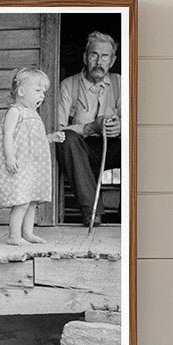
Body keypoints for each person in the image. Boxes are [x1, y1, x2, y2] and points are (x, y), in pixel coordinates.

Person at [56, 30, 122, 223]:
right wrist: (90, 127)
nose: (99, 62)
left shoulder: (121, 83)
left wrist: (121, 127)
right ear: (85, 57)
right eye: (94, 55)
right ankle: (92, 212)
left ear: (112, 60)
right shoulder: (69, 85)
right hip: (83, 149)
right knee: (66, 139)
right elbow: (58, 129)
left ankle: (128, 214)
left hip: (114, 146)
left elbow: (136, 121)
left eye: (105, 56)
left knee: (138, 143)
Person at [0, 67, 65, 246]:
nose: (41, 95)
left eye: (44, 92)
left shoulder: (34, 115)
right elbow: (8, 135)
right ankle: (14, 236)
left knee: (32, 201)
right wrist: (10, 157)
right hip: (20, 165)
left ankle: (28, 233)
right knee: (21, 201)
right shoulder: (15, 112)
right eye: (37, 90)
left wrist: (51, 138)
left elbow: (36, 140)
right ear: (21, 91)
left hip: (34, 167)